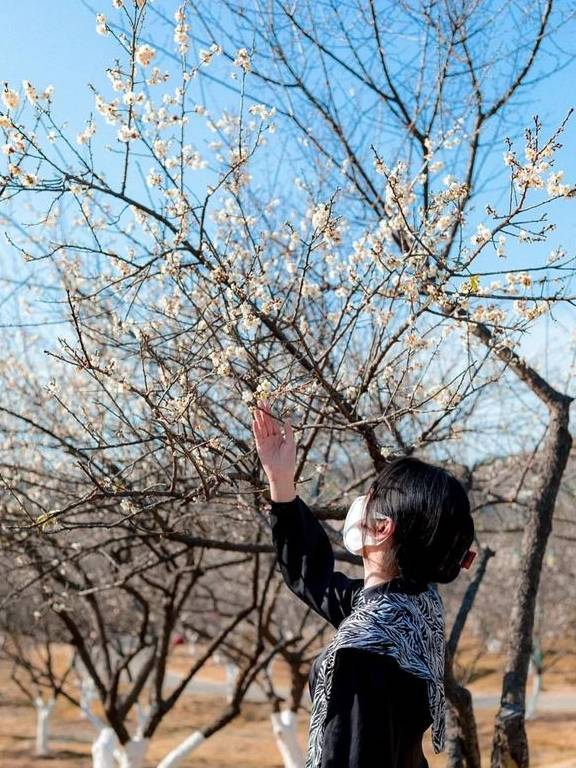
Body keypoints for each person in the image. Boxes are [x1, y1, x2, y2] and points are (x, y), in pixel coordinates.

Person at [251, 399, 476, 768]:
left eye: (371, 495)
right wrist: (282, 485)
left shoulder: (361, 653)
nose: (361, 502)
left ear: (383, 528)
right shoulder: (414, 606)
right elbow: (317, 580)